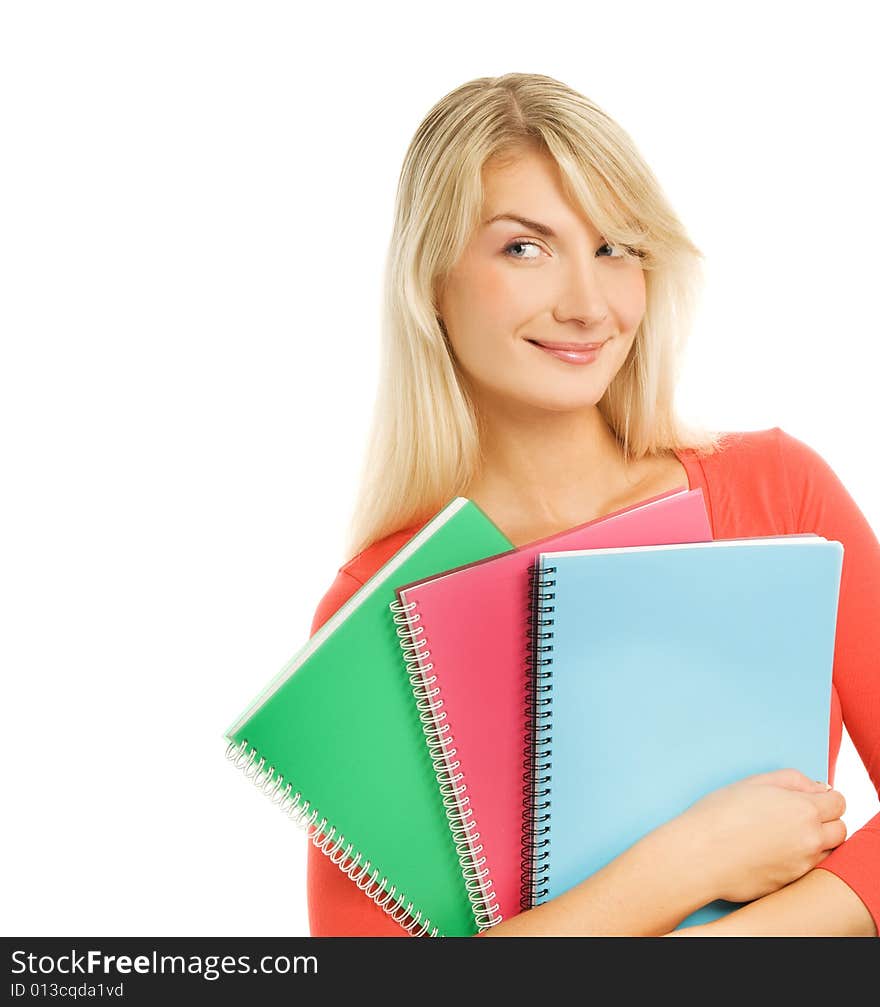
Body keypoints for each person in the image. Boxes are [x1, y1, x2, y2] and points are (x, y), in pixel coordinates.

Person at [306, 73, 879, 937]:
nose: (587, 305)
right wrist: (691, 858)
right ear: (431, 280)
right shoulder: (378, 607)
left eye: (615, 246)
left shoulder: (776, 491)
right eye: (525, 248)